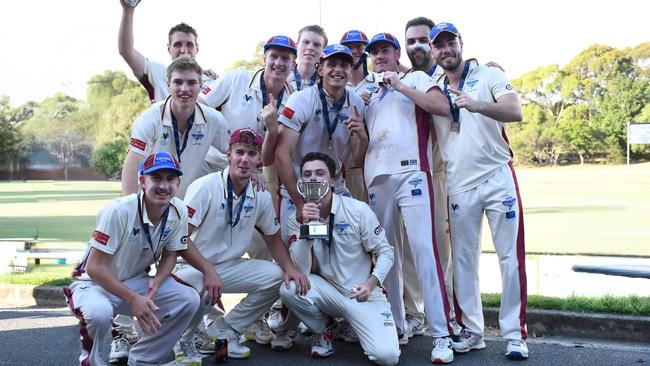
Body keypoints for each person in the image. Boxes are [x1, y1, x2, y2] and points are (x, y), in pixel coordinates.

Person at [429, 22, 529, 360]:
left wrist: (477, 105)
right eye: (438, 45)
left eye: (450, 42)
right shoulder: (433, 87)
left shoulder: (488, 75)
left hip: (497, 176)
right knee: (464, 262)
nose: (446, 50)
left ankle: (515, 334)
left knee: (509, 259)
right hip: (459, 185)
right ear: (433, 52)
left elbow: (515, 111)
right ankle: (473, 331)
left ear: (460, 43)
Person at [64, 151, 219, 366]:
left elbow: (171, 254)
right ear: (142, 181)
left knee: (187, 299)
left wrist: (160, 278)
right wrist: (133, 299)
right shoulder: (118, 211)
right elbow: (95, 267)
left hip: (135, 279)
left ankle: (143, 360)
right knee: (99, 314)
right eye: (156, 178)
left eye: (170, 179)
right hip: (92, 284)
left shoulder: (179, 209)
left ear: (178, 182)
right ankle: (92, 361)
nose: (164, 186)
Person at [172, 128, 309, 361]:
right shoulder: (205, 187)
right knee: (204, 286)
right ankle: (184, 339)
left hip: (230, 266)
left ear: (258, 160)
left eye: (252, 154)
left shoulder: (260, 194)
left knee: (278, 276)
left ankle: (227, 329)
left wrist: (290, 268)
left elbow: (273, 237)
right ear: (229, 154)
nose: (245, 159)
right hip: (191, 268)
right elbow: (180, 239)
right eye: (240, 152)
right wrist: (207, 269)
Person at [198, 35, 297, 346]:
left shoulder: (292, 97)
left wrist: (254, 163)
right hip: (213, 167)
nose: (279, 63)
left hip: (254, 173)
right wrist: (219, 153)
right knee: (203, 241)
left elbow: (274, 152)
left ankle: (246, 322)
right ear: (264, 58)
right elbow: (202, 109)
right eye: (274, 56)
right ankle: (196, 322)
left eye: (286, 58)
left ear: (292, 64)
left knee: (261, 247)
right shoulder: (236, 79)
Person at [364, 32, 455, 364]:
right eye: (374, 53)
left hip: (413, 172)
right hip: (377, 178)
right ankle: (396, 325)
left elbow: (442, 106)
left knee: (423, 251)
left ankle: (441, 334)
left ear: (396, 53)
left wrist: (400, 85)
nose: (379, 57)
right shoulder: (369, 92)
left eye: (385, 51)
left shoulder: (415, 77)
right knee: (385, 255)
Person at [280, 152, 400, 366]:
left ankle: (355, 323)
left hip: (361, 294)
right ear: (301, 184)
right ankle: (325, 329)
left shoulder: (358, 210)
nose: (313, 178)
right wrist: (306, 229)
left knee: (387, 357)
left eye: (320, 173)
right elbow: (301, 270)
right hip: (328, 292)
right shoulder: (295, 220)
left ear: (332, 180)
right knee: (289, 288)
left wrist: (371, 283)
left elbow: (386, 252)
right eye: (307, 174)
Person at [276, 44, 367, 241]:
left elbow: (358, 160)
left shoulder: (357, 103)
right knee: (300, 252)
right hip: (299, 188)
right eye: (331, 64)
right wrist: (300, 203)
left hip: (334, 187)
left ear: (351, 71)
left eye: (344, 65)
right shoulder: (300, 100)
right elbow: (281, 154)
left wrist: (362, 136)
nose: (338, 70)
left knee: (349, 244)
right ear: (320, 69)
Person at [400, 16, 454, 343]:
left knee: (443, 251)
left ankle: (450, 320)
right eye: (411, 41)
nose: (417, 46)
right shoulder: (403, 80)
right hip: (410, 176)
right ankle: (411, 313)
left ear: (434, 44)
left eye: (423, 40)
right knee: (406, 250)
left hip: (443, 174)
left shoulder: (451, 76)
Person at [121, 55, 229, 199]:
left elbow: (234, 153)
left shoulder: (214, 119)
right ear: (168, 84)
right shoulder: (150, 119)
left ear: (200, 86)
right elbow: (132, 164)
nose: (184, 89)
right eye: (178, 82)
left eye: (191, 83)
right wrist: (130, 209)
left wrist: (253, 173)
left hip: (185, 207)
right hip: (151, 203)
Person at [118, 0, 216, 103]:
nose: (184, 50)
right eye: (178, 44)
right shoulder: (158, 72)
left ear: (197, 48)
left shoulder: (212, 81)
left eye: (189, 44)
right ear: (169, 49)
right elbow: (126, 51)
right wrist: (128, 9)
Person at [339, 30, 371, 203]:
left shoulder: (378, 81)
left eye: (359, 46)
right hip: (340, 166)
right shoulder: (337, 82)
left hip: (369, 164)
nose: (354, 51)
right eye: (348, 47)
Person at [287, 25, 328, 91]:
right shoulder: (282, 79)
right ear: (296, 46)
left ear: (324, 51)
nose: (310, 48)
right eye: (306, 42)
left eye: (316, 44)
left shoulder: (329, 85)